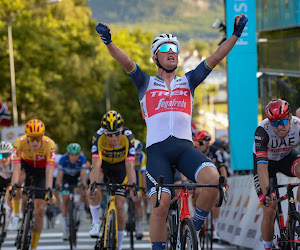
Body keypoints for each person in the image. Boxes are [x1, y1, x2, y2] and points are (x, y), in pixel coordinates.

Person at [95, 13, 247, 249]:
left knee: (213, 182)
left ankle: (192, 229)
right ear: (155, 56)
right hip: (158, 152)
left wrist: (236, 34)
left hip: (185, 149)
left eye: (175, 48)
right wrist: (108, 42)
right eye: (166, 48)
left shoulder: (188, 81)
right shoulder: (145, 82)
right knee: (160, 205)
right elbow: (125, 61)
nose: (172, 51)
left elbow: (216, 57)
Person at [253, 99, 300, 250]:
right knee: (270, 208)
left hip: (286, 157)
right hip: (267, 164)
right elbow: (261, 167)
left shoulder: (298, 126)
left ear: (290, 118)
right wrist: (267, 192)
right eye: (274, 123)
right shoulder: (262, 130)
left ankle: (297, 218)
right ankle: (267, 247)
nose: (279, 127)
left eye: (283, 121)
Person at [88, 110, 136, 250]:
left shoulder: (129, 137)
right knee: (93, 185)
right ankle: (96, 222)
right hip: (104, 165)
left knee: (120, 205)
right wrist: (94, 185)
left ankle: (119, 245)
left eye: (116, 133)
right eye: (109, 135)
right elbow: (96, 165)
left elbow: (130, 165)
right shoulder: (98, 137)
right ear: (104, 132)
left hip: (122, 167)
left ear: (122, 129)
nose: (114, 138)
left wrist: (133, 185)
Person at [8, 119, 56, 250]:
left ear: (42, 136)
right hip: (26, 168)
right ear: (26, 136)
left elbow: (50, 170)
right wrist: (13, 187)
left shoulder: (49, 144)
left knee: (40, 211)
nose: (34, 142)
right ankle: (16, 214)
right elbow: (16, 167)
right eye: (31, 138)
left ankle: (33, 247)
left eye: (37, 138)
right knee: (18, 183)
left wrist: (49, 189)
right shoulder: (19, 142)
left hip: (42, 172)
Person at [194, 130, 228, 240]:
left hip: (213, 179)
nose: (198, 146)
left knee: (217, 198)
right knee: (197, 192)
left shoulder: (215, 151)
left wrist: (224, 183)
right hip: (198, 179)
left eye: (200, 143)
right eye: (196, 143)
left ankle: (215, 229)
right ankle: (198, 219)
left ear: (208, 143)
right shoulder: (194, 152)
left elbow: (222, 167)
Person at [55, 143, 87, 240]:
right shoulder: (63, 159)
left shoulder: (82, 159)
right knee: (65, 199)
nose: (74, 157)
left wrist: (83, 186)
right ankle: (65, 229)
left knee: (84, 190)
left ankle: (81, 209)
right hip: (66, 178)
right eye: (72, 155)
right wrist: (57, 186)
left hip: (77, 177)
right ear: (68, 154)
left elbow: (83, 174)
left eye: (76, 155)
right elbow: (59, 174)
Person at [133, 139, 148, 240]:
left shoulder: (143, 156)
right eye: (134, 154)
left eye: (137, 154)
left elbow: (143, 174)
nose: (136, 157)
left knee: (138, 201)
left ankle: (139, 228)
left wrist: (144, 189)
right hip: (126, 176)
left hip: (138, 178)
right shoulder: (126, 155)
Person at [0, 141, 14, 231]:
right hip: (1, 179)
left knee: (9, 195)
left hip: (10, 180)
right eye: (1, 156)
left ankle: (10, 216)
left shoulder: (14, 163)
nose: (3, 159)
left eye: (6, 156)